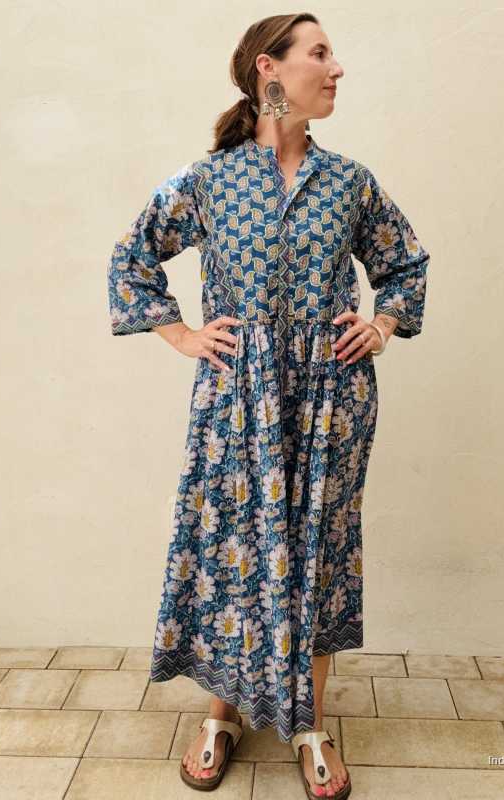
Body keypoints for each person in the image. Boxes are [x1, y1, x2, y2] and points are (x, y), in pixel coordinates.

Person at [107, 12, 430, 799]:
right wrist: (180, 333)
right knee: (235, 555)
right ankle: (223, 714)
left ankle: (310, 722)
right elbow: (132, 255)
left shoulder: (350, 182)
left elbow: (405, 264)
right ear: (268, 71)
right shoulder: (207, 181)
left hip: (332, 403)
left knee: (315, 551)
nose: (336, 68)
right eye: (320, 53)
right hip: (234, 402)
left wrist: (382, 323)